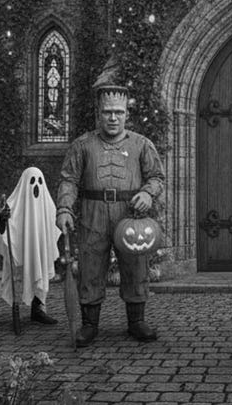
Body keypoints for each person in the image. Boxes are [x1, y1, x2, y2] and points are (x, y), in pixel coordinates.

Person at [56, 82, 165, 347]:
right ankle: (89, 324)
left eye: (119, 112)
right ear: (98, 113)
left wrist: (148, 193)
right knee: (91, 264)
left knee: (135, 265)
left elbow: (157, 177)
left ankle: (136, 321)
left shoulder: (141, 145)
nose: (113, 118)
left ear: (127, 114)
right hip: (93, 212)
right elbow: (69, 180)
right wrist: (64, 208)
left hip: (130, 214)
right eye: (107, 112)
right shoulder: (83, 145)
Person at [0, 167, 60, 326]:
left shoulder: (48, 205)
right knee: (21, 274)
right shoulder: (12, 204)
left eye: (39, 181)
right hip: (22, 251)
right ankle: (17, 307)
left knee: (40, 270)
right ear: (24, 183)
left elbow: (54, 226)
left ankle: (38, 310)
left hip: (40, 248)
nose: (36, 185)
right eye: (32, 181)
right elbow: (3, 229)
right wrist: (3, 219)